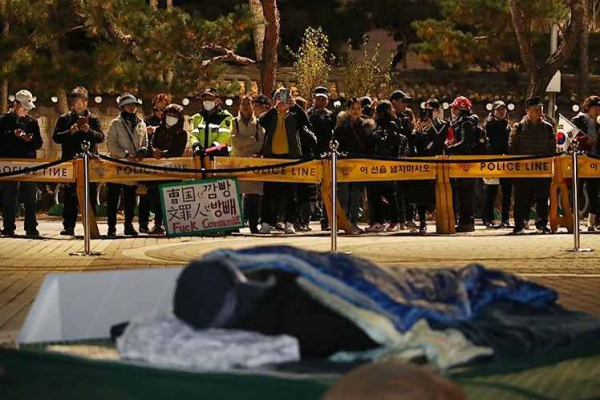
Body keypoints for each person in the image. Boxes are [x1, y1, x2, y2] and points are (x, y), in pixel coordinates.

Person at [52, 86, 105, 236]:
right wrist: (71, 131)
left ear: (86, 102)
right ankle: (68, 225)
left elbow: (101, 137)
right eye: (75, 101)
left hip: (90, 162)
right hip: (71, 161)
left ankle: (91, 226)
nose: (78, 104)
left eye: (81, 101)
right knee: (70, 194)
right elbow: (56, 138)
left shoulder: (93, 119)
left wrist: (89, 131)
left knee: (91, 193)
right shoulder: (65, 118)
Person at [257, 88, 309, 235]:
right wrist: (275, 109)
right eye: (279, 97)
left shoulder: (294, 114)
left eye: (285, 96)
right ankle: (266, 223)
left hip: (290, 158)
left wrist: (295, 105)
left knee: (291, 193)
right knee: (269, 192)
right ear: (274, 99)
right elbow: (262, 121)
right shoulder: (270, 115)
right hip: (272, 158)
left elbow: (306, 121)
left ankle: (289, 223)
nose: (282, 99)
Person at [509, 96, 556, 235]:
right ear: (527, 111)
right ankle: (520, 224)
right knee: (521, 198)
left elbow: (552, 147)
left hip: (542, 169)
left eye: (540, 108)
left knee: (542, 198)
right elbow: (512, 148)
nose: (539, 111)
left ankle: (541, 224)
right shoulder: (518, 127)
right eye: (536, 109)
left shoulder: (548, 128)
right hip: (522, 169)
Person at [0, 90, 43, 237]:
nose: (26, 110)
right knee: (8, 196)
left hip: (28, 163)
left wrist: (29, 140)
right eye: (24, 107)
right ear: (15, 104)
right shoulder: (4, 120)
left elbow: (39, 143)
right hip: (9, 163)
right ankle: (8, 227)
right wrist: (12, 134)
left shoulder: (32, 122)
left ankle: (31, 227)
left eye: (28, 108)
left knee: (30, 196)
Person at [105, 93, 148, 237]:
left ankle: (128, 225)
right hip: (116, 165)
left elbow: (145, 142)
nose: (132, 107)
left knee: (130, 198)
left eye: (134, 105)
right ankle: (111, 227)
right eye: (129, 105)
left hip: (133, 167)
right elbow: (110, 144)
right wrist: (125, 155)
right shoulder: (115, 123)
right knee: (113, 199)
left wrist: (142, 151)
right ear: (122, 107)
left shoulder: (141, 123)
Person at [365, 101, 409, 233]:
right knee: (374, 194)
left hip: (387, 162)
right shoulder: (376, 124)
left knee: (389, 193)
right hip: (375, 163)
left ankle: (394, 220)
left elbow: (392, 142)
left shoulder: (391, 124)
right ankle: (378, 221)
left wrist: (378, 139)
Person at [334, 97, 375, 234]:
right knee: (344, 193)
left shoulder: (367, 126)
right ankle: (343, 222)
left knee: (357, 194)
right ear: (348, 110)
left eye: (358, 108)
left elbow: (369, 146)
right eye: (353, 108)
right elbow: (336, 143)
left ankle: (354, 222)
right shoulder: (341, 126)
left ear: (362, 110)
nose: (356, 111)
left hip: (360, 164)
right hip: (345, 164)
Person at [146, 103, 188, 235]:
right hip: (158, 171)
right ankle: (157, 224)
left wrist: (163, 154)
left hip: (173, 171)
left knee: (172, 198)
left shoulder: (182, 134)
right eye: (169, 115)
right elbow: (151, 144)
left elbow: (178, 151)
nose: (171, 117)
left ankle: (172, 225)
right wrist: (154, 151)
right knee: (157, 198)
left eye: (174, 116)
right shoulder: (158, 130)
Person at [410, 98, 448, 233]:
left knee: (437, 192)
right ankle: (422, 222)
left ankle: (442, 221)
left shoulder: (443, 124)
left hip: (437, 162)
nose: (428, 113)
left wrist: (432, 128)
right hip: (423, 162)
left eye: (431, 110)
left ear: (437, 111)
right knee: (421, 194)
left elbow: (440, 143)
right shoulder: (420, 124)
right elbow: (415, 144)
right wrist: (417, 131)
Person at [230, 95, 266, 234]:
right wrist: (251, 140)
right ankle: (234, 224)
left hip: (253, 163)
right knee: (235, 195)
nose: (245, 106)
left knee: (254, 196)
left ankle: (253, 224)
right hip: (237, 163)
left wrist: (244, 141)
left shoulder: (258, 122)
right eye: (243, 103)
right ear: (239, 106)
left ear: (252, 106)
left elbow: (260, 143)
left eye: (248, 103)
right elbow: (235, 143)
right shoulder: (234, 122)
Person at [446, 96, 480, 232]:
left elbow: (466, 143)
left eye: (454, 107)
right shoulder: (462, 122)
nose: (453, 110)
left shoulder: (467, 123)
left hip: (466, 163)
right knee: (462, 192)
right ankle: (464, 221)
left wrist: (450, 148)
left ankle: (467, 222)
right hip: (461, 162)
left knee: (466, 193)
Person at [139, 93, 171, 234]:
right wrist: (146, 132)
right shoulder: (146, 121)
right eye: (156, 109)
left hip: (165, 163)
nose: (159, 112)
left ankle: (159, 223)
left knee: (161, 194)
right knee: (146, 193)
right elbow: (140, 140)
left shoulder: (171, 122)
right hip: (149, 162)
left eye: (162, 109)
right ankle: (143, 223)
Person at [308, 86, 336, 231]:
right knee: (310, 190)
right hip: (312, 155)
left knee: (327, 189)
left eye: (323, 99)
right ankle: (305, 219)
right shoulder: (308, 115)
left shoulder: (331, 115)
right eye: (318, 98)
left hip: (327, 155)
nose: (321, 101)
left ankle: (327, 219)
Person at [571, 95, 600, 230]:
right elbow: (571, 137)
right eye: (595, 108)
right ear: (588, 108)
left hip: (595, 160)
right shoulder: (578, 120)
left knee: (594, 190)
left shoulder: (599, 122)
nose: (598, 110)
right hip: (581, 160)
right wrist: (585, 140)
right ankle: (574, 219)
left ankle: (591, 221)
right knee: (577, 189)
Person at [483, 100, 512, 229]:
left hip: (506, 162)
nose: (502, 112)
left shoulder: (507, 125)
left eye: (503, 109)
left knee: (507, 192)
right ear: (493, 111)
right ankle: (488, 218)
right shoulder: (489, 125)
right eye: (499, 109)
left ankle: (505, 219)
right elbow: (489, 143)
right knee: (491, 192)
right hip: (493, 161)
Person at [389, 90, 415, 231]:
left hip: (407, 159)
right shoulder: (388, 118)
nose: (405, 104)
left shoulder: (406, 118)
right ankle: (397, 220)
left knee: (408, 190)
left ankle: (410, 218)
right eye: (402, 101)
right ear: (394, 101)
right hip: (391, 159)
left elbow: (410, 137)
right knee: (395, 192)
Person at [190, 88, 233, 157]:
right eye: (205, 99)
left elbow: (224, 138)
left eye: (210, 99)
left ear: (217, 100)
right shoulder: (197, 118)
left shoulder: (225, 117)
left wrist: (210, 150)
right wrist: (196, 146)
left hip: (219, 157)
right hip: (200, 156)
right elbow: (193, 135)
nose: (207, 101)